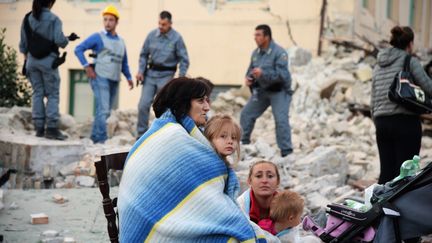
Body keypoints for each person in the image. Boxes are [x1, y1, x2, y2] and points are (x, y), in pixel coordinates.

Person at [118, 77, 273, 242]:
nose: (207, 107)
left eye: (207, 100)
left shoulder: (162, 129)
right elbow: (203, 191)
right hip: (153, 225)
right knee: (233, 236)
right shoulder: (174, 136)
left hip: (144, 221)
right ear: (183, 102)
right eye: (201, 101)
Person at [371, 26, 432, 184]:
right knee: (406, 174)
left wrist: (377, 121)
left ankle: (380, 207)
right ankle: (401, 208)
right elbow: (428, 87)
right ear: (410, 44)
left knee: (386, 174)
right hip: (405, 123)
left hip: (381, 123)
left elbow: (373, 98)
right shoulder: (409, 60)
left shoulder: (378, 65)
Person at [19, 0, 78, 140]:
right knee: (52, 94)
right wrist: (67, 39)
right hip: (48, 62)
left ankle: (39, 128)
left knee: (37, 92)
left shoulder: (28, 18)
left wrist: (26, 61)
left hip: (31, 62)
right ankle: (51, 128)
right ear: (51, 2)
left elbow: (23, 45)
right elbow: (60, 41)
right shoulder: (54, 19)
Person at [74, 5, 133, 144]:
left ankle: (95, 137)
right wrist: (86, 66)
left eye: (110, 20)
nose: (107, 23)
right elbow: (78, 49)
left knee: (103, 109)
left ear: (116, 22)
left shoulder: (121, 42)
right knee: (104, 109)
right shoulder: (97, 37)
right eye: (105, 19)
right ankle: (101, 139)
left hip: (114, 79)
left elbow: (123, 62)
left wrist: (129, 77)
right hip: (100, 77)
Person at [240, 24, 293, 157]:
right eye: (255, 35)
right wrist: (249, 79)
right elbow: (250, 71)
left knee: (281, 120)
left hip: (279, 91)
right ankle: (243, 145)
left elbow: (282, 76)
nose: (255, 38)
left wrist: (263, 74)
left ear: (267, 37)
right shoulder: (255, 54)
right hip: (262, 91)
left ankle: (286, 152)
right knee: (246, 114)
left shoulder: (279, 53)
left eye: (258, 35)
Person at [135, 10, 189, 138]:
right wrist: (140, 71)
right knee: (143, 104)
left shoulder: (177, 38)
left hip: (167, 75)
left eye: (164, 24)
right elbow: (143, 54)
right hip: (150, 74)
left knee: (164, 106)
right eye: (159, 23)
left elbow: (184, 59)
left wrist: (180, 78)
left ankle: (163, 134)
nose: (161, 26)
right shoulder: (151, 36)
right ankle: (141, 134)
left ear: (170, 24)